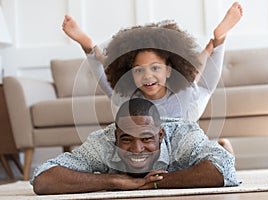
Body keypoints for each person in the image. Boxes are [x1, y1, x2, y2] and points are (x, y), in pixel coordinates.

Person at [62, 2, 243, 154]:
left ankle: (220, 40)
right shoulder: (129, 97)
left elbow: (198, 73)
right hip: (151, 144)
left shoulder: (185, 92)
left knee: (199, 82)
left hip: (184, 117)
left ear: (170, 70)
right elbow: (106, 75)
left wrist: (211, 49)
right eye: (139, 70)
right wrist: (90, 49)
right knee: (112, 85)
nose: (147, 75)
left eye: (155, 68)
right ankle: (90, 47)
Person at [32, 98, 238, 195]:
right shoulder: (102, 143)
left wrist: (154, 183)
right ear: (116, 136)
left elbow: (225, 170)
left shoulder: (183, 135)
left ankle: (222, 145)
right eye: (127, 140)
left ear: (160, 134)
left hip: (186, 157)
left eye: (147, 139)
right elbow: (44, 179)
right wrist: (115, 181)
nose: (137, 149)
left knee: (223, 156)